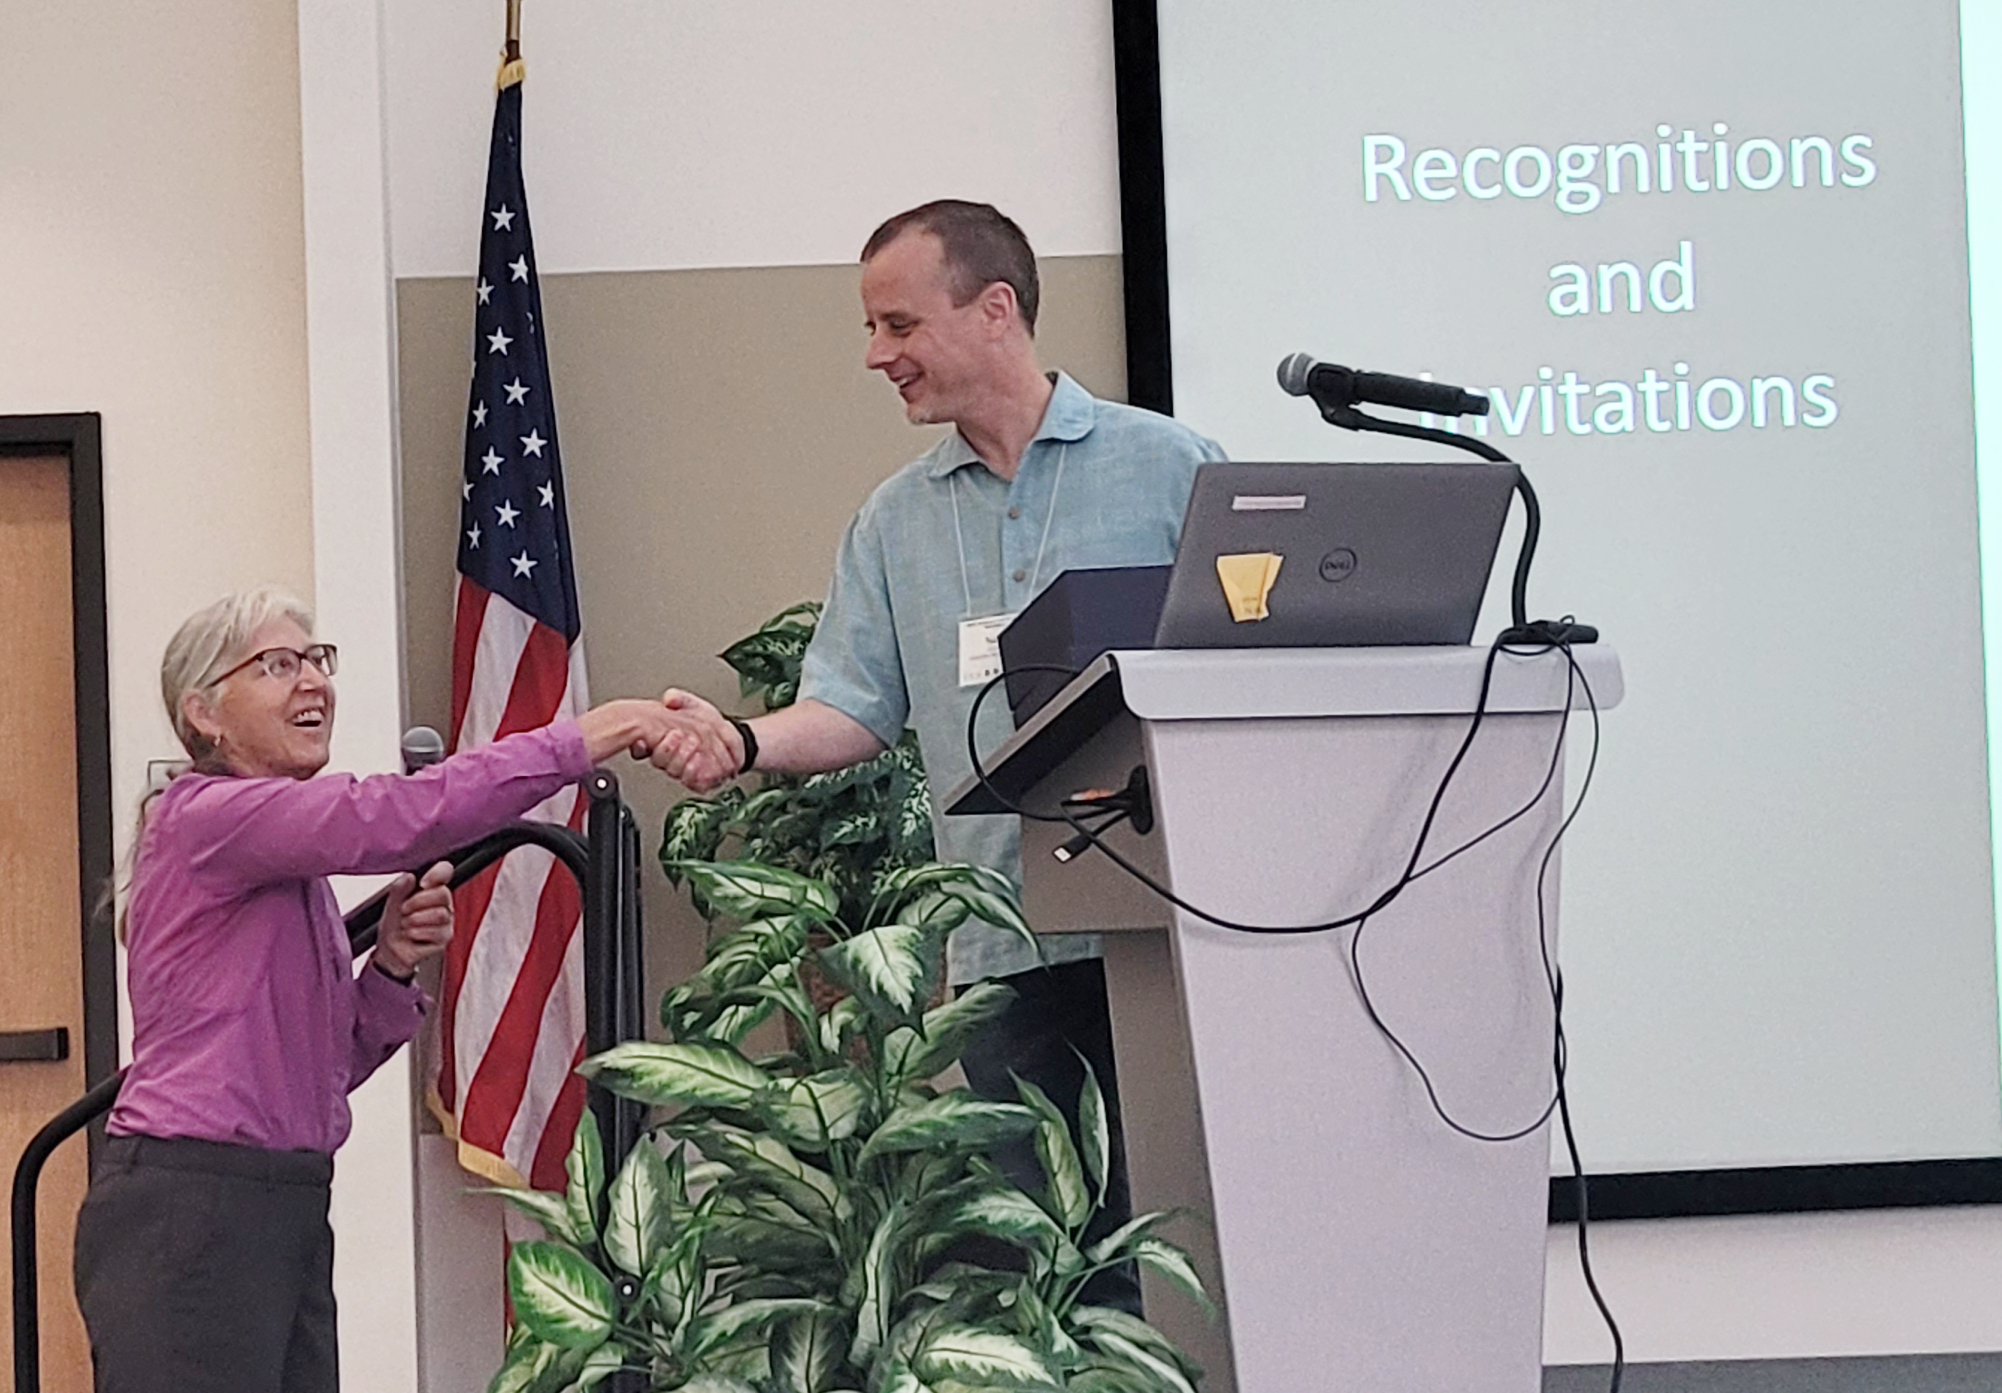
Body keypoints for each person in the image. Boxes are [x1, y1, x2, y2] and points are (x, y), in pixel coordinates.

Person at [652, 200, 1224, 1296]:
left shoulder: (1168, 467)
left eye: (899, 325)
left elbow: (1243, 673)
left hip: (1166, 942)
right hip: (1005, 955)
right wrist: (737, 737)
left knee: (1186, 1256)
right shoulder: (892, 520)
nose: (878, 356)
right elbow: (851, 707)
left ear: (994, 309)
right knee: (1057, 1282)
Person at [73, 585, 715, 1393]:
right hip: (193, 1204)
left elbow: (318, 1069)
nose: (312, 681)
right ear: (204, 712)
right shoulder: (209, 816)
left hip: (283, 1200)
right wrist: (598, 731)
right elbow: (400, 814)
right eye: (276, 664)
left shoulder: (277, 864)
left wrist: (390, 968)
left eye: (317, 660)